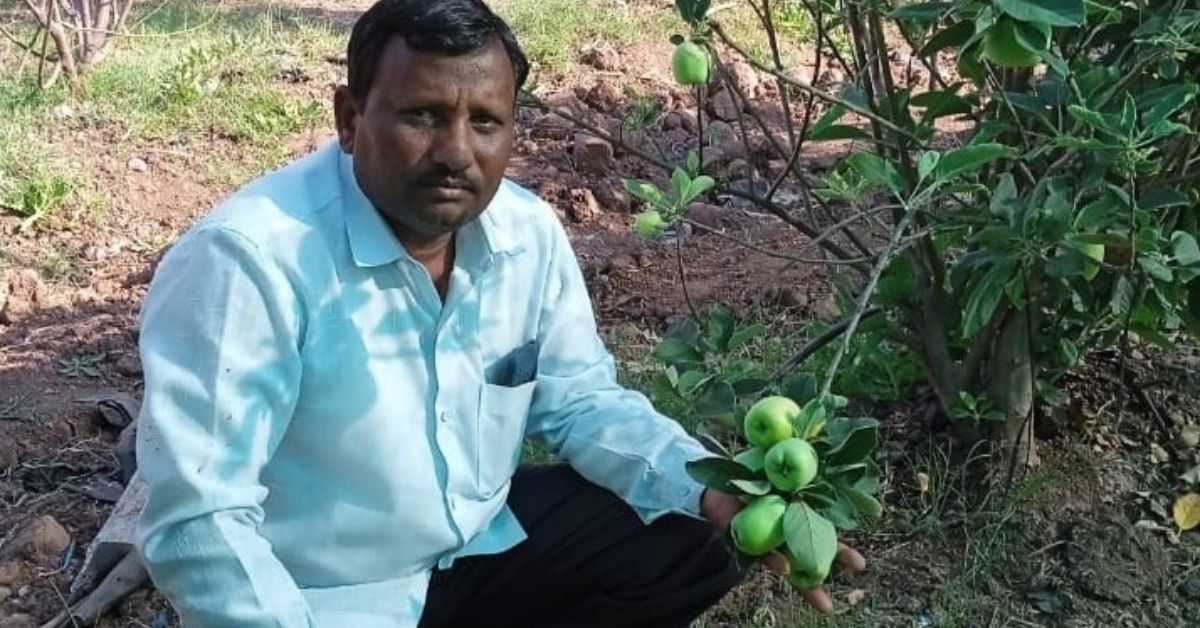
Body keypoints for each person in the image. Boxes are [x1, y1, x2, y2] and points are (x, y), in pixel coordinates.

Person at [133, 1, 865, 626]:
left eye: (486, 122)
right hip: (329, 598)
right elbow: (201, 518)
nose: (457, 152)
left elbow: (580, 403)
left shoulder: (525, 234)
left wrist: (707, 487)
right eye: (423, 115)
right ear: (351, 118)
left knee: (692, 527)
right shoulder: (250, 261)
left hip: (472, 552)